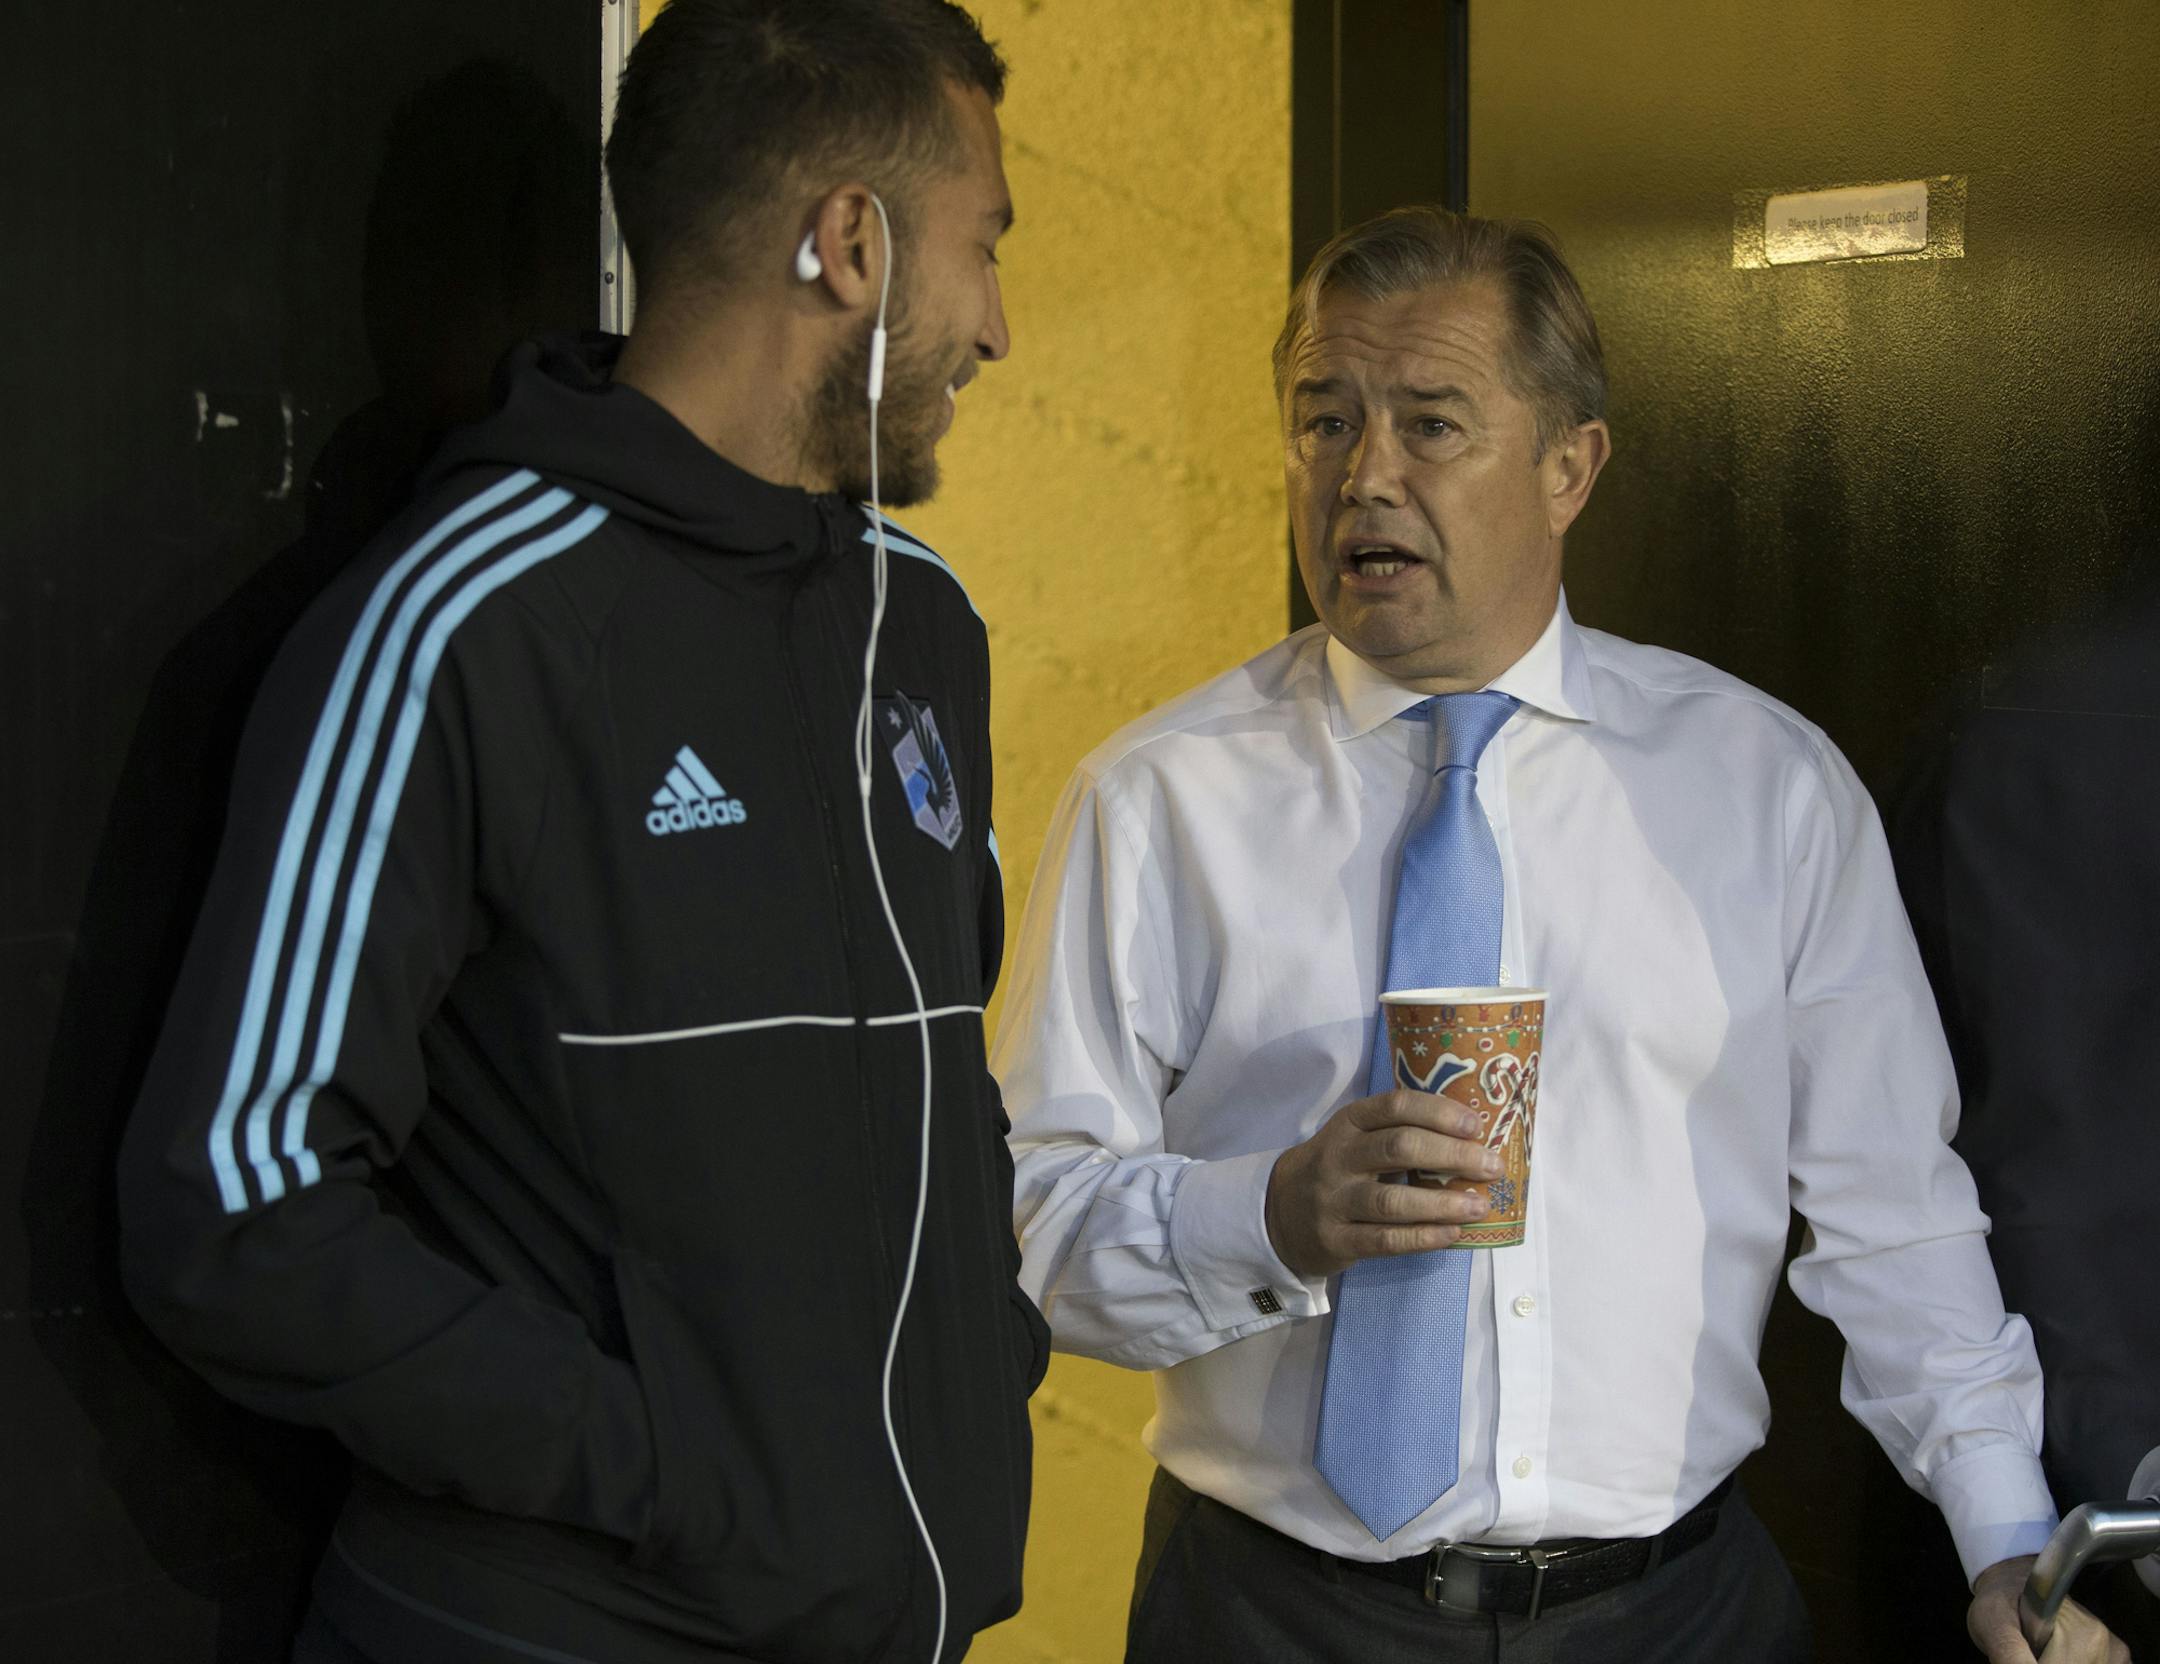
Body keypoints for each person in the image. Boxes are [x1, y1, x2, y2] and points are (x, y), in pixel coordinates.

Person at [994, 206, 2124, 1663]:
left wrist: (2006, 1540)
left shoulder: (1763, 790)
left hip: (1677, 1617)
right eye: (1322, 421)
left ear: (1569, 466)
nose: (1365, 477)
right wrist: (1265, 1217)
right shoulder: (1158, 800)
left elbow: (1893, 1213)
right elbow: (1020, 1230)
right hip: (1273, 1615)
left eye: (1433, 425)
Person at [117, 4, 1045, 1662]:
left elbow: (937, 1080)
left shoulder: (925, 626)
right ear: (850, 246)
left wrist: (990, 1360)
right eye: (981, 250)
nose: (996, 324)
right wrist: (662, 1472)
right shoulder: (467, 619)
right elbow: (236, 1197)